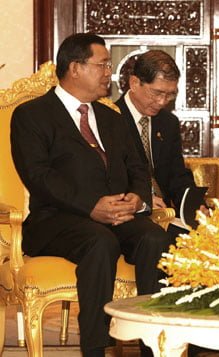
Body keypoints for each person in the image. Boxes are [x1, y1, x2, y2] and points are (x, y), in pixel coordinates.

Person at [10, 33, 174, 357]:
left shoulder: (111, 118)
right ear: (75, 68)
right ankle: (95, 348)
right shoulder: (32, 115)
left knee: (155, 238)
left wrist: (137, 199)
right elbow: (39, 176)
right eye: (102, 65)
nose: (108, 74)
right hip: (56, 220)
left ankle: (154, 344)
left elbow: (140, 169)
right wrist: (91, 206)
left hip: (115, 215)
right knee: (100, 241)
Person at [115, 50, 202, 236]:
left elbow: (177, 175)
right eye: (157, 93)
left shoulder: (167, 123)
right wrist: (144, 200)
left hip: (166, 214)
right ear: (134, 83)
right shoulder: (110, 119)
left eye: (170, 95)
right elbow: (111, 178)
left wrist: (196, 206)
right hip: (131, 215)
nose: (162, 101)